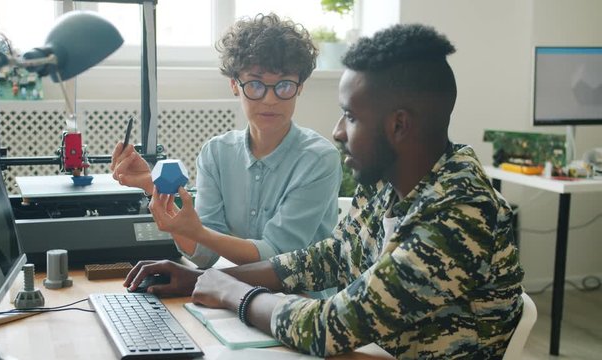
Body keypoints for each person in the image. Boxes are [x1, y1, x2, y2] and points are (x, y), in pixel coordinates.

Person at [124, 23, 525, 359]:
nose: (337, 131)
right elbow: (330, 257)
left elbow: (328, 327)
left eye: (350, 116)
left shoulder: (458, 214)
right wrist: (198, 280)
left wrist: (230, 288)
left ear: (399, 125)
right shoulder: (389, 183)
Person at [110, 13, 342, 269]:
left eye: (284, 85)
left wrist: (199, 232)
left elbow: (278, 258)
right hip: (238, 293)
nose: (270, 100)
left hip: (303, 300)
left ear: (300, 87)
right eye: (255, 84)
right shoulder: (217, 153)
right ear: (234, 85)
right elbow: (203, 256)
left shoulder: (319, 159)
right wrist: (156, 187)